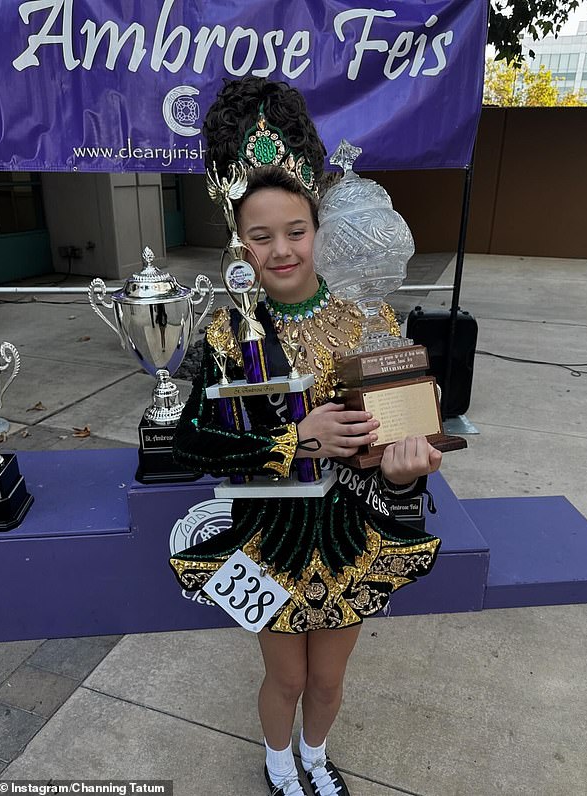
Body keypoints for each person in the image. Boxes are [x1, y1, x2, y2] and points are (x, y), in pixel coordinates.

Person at [169, 77, 443, 796]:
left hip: (349, 533)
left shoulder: (368, 325)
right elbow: (190, 443)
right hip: (269, 537)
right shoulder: (228, 335)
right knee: (285, 676)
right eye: (261, 237)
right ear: (239, 242)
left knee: (328, 679)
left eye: (296, 232)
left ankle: (316, 757)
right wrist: (296, 439)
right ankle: (277, 759)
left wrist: (408, 470)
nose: (281, 250)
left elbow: (392, 455)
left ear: (318, 229)